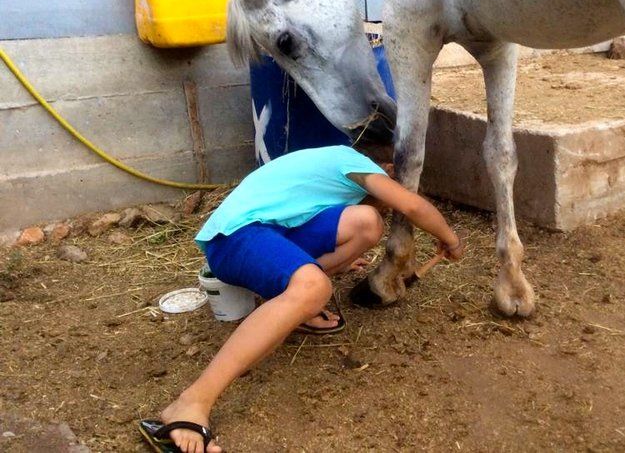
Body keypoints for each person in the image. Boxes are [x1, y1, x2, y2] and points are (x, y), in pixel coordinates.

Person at [139, 145, 464, 453]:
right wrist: (449, 239)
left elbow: (302, 214)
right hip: (234, 237)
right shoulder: (356, 165)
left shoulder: (333, 166)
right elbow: (413, 206)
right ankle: (194, 400)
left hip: (268, 231)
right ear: (386, 169)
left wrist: (339, 258)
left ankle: (290, 302)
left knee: (367, 223)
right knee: (315, 287)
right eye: (393, 185)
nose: (390, 202)